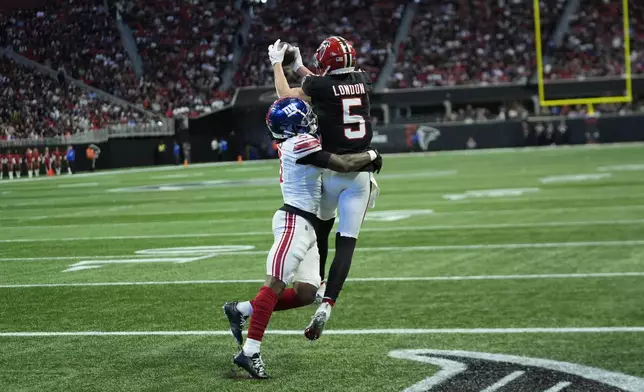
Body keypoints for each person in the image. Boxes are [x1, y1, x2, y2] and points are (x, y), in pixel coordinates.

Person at [222, 97, 381, 379]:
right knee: (274, 283)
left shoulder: (295, 141)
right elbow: (343, 165)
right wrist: (371, 156)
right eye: (304, 117)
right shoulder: (299, 143)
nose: (310, 119)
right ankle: (249, 352)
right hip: (294, 222)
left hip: (309, 225)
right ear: (295, 124)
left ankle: (241, 309)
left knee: (306, 292)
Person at [268, 37, 381, 340]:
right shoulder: (361, 80)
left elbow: (286, 95)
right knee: (348, 243)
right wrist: (301, 67)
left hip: (331, 168)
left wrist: (277, 63)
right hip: (361, 173)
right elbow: (328, 85)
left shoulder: (320, 86)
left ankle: (316, 283)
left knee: (321, 229)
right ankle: (328, 303)